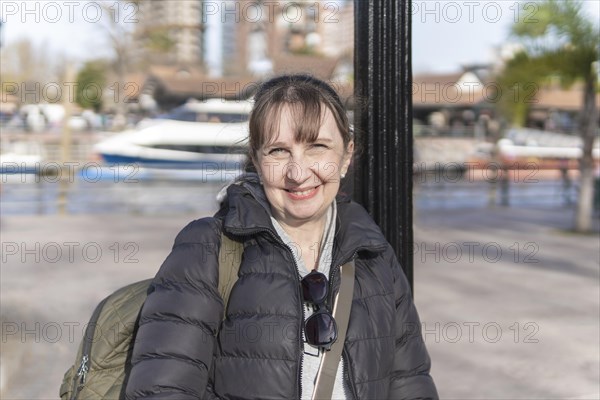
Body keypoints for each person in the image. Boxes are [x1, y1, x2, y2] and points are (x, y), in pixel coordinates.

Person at [126, 75, 438, 399]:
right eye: (278, 151)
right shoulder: (206, 249)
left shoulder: (375, 256)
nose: (298, 173)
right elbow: (161, 389)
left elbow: (411, 384)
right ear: (258, 162)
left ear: (346, 156)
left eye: (317, 147)